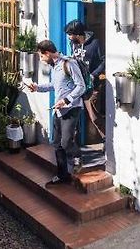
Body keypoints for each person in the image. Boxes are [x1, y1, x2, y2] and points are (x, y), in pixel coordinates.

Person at [29, 40, 85, 187]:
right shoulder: (54, 67)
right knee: (56, 144)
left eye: (41, 57)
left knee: (66, 142)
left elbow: (81, 86)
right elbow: (54, 85)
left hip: (71, 108)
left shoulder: (69, 63)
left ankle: (77, 155)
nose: (41, 60)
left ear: (47, 53)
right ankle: (62, 175)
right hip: (58, 110)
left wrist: (66, 100)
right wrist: (38, 88)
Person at [64, 19, 105, 140]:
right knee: (74, 115)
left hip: (91, 86)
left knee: (94, 117)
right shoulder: (73, 44)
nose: (69, 37)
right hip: (76, 85)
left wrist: (94, 75)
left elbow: (104, 61)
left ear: (77, 34)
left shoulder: (95, 44)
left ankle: (105, 141)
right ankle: (73, 145)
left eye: (70, 34)